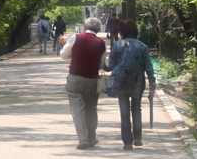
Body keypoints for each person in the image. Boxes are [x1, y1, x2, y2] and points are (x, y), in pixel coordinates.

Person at [104, 18, 156, 149]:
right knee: (136, 108)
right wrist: (152, 83)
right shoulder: (143, 46)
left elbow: (110, 66)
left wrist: (101, 64)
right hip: (137, 80)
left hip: (121, 81)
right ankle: (137, 137)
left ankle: (127, 141)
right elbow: (148, 67)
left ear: (121, 32)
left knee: (124, 110)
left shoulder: (117, 45)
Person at [60, 16, 106, 149]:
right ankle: (92, 137)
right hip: (92, 79)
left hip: (75, 78)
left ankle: (83, 139)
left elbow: (63, 55)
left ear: (85, 27)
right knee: (91, 107)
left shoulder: (76, 37)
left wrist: (72, 55)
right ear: (98, 29)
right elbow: (102, 65)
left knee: (78, 109)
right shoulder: (101, 43)